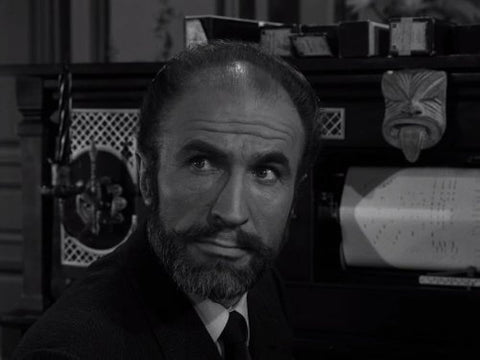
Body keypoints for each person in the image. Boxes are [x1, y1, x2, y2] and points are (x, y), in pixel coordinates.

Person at [13, 41, 320, 360]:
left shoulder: (262, 284)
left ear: (296, 194)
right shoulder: (68, 351)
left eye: (266, 172)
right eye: (202, 163)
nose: (232, 212)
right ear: (146, 177)